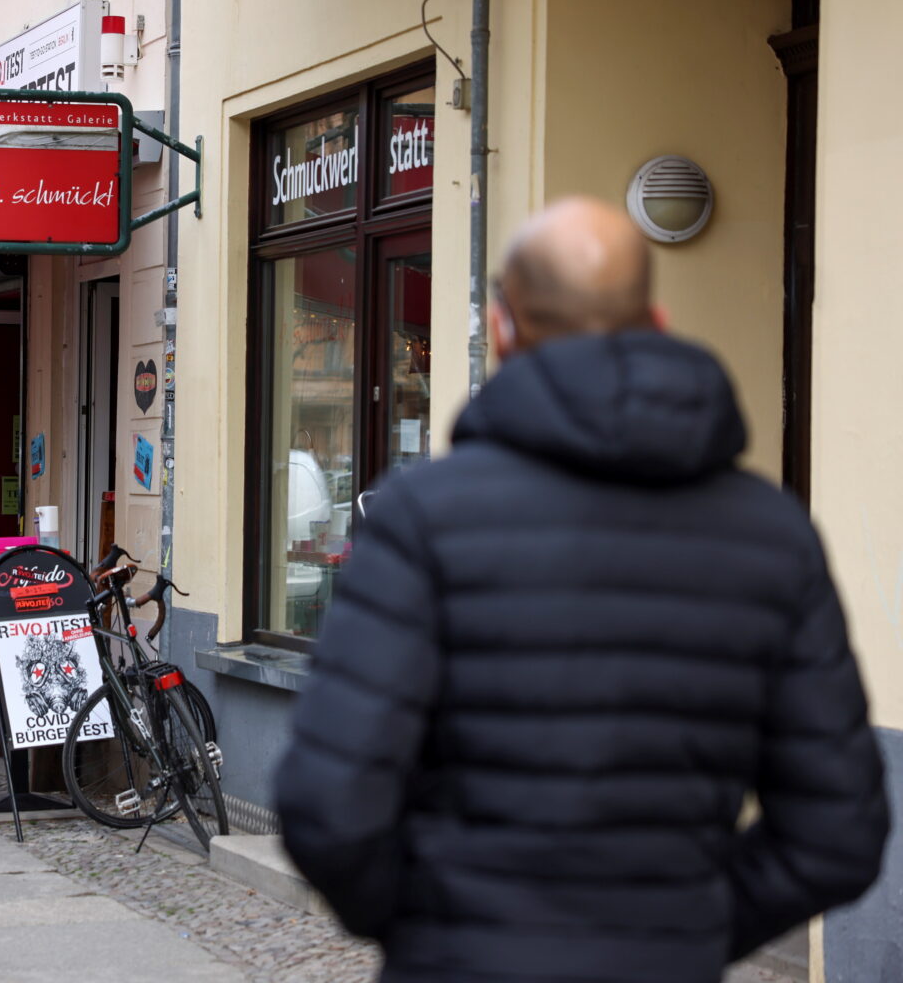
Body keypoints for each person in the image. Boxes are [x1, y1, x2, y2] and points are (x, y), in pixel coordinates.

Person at [275, 197, 889, 983]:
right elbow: (837, 832)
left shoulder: (423, 521)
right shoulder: (771, 533)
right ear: (657, 321)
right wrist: (691, 926)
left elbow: (329, 807)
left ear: (502, 328)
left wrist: (444, 927)